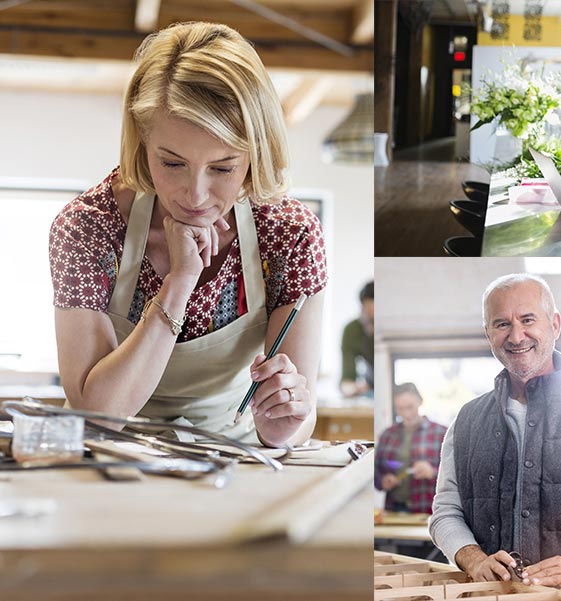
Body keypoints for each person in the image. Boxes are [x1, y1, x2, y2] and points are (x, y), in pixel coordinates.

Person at [49, 22, 327, 447]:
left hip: (232, 459)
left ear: (256, 153)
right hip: (107, 461)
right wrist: (179, 282)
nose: (195, 195)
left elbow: (298, 415)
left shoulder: (289, 234)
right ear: (143, 142)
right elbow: (94, 417)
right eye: (172, 163)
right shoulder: (89, 227)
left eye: (222, 168)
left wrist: (284, 421)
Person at [429, 274, 561, 601]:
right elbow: (445, 513)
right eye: (501, 324)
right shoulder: (465, 421)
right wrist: (474, 559)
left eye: (528, 320)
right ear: (488, 334)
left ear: (554, 324)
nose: (516, 335)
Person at [375, 383, 448, 514]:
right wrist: (382, 481)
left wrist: (432, 472)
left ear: (420, 401)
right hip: (393, 509)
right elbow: (376, 471)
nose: (406, 414)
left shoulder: (441, 433)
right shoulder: (387, 435)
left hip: (428, 510)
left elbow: (456, 475)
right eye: (400, 409)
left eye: (410, 407)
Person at [340, 280, 374, 397]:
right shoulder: (352, 330)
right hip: (369, 387)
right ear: (363, 305)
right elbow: (347, 378)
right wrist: (350, 388)